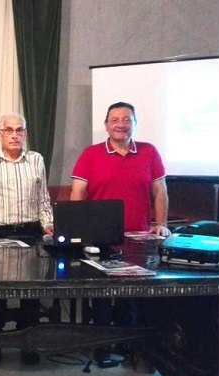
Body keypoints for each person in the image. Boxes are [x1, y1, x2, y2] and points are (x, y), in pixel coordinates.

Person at [70, 101, 170, 360]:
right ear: (106, 125)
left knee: (133, 296)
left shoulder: (149, 152)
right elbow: (78, 194)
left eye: (127, 119)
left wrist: (161, 223)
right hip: (99, 240)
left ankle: (130, 347)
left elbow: (160, 191)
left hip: (138, 239)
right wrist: (77, 230)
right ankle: (101, 345)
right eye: (114, 119)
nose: (121, 124)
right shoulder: (90, 154)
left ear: (135, 123)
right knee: (101, 295)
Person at [0, 112, 53, 366]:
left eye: (20, 130)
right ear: (0, 134)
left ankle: (28, 344)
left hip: (30, 231)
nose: (15, 135)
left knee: (30, 292)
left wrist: (48, 224)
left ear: (25, 133)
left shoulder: (36, 160)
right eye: (9, 130)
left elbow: (43, 199)